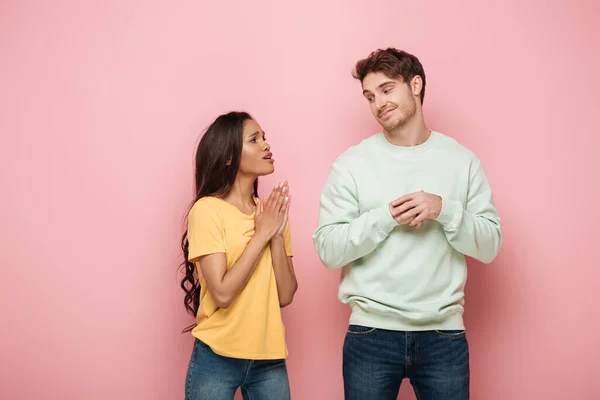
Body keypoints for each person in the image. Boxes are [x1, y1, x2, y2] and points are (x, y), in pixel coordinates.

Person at [313, 48, 502, 400]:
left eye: (387, 90)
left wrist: (444, 210)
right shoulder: (352, 164)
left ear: (415, 85)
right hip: (370, 333)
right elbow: (328, 249)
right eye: (370, 96)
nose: (377, 104)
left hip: (443, 336)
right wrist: (386, 217)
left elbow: (490, 245)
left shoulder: (462, 161)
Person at [179, 111, 298, 400]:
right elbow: (221, 294)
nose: (266, 145)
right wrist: (261, 235)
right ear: (229, 157)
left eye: (264, 138)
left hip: (268, 359)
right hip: (216, 358)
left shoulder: (270, 214)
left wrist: (274, 235)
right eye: (254, 140)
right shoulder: (207, 211)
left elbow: (286, 294)